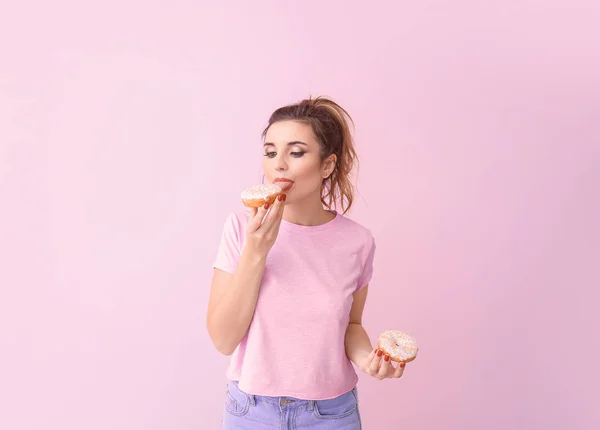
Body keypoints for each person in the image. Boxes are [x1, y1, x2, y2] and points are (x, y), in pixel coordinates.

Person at [207, 96, 406, 429]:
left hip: (330, 414)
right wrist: (257, 251)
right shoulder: (242, 228)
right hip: (251, 412)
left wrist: (367, 359)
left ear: (327, 165)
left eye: (296, 152)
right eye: (270, 152)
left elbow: (350, 326)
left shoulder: (357, 242)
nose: (278, 165)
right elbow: (224, 339)